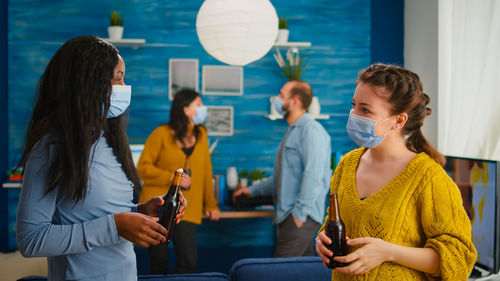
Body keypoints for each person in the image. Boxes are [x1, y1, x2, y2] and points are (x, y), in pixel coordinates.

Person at [16, 36, 186, 281]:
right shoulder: (51, 147)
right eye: (118, 78)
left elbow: (97, 213)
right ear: (87, 83)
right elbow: (31, 240)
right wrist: (115, 225)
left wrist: (140, 212)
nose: (124, 86)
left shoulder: (107, 140)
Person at [315, 63, 477, 280]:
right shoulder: (347, 164)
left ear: (399, 120)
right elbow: (334, 220)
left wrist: (388, 252)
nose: (354, 114)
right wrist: (322, 238)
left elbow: (458, 259)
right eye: (353, 105)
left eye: (365, 110)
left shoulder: (429, 178)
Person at [233, 81, 331, 257]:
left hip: (300, 218)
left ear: (295, 101)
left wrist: (299, 216)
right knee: (302, 273)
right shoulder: (291, 132)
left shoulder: (312, 131)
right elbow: (280, 178)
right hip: (290, 217)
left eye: (281, 95)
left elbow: (313, 176)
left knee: (279, 272)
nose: (276, 100)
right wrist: (251, 190)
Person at [137, 89, 220, 274]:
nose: (203, 108)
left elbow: (207, 171)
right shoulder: (161, 134)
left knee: (189, 262)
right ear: (185, 109)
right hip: (159, 209)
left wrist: (212, 204)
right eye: (198, 104)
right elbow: (142, 168)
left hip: (186, 210)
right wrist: (173, 178)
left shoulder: (202, 134)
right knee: (159, 263)